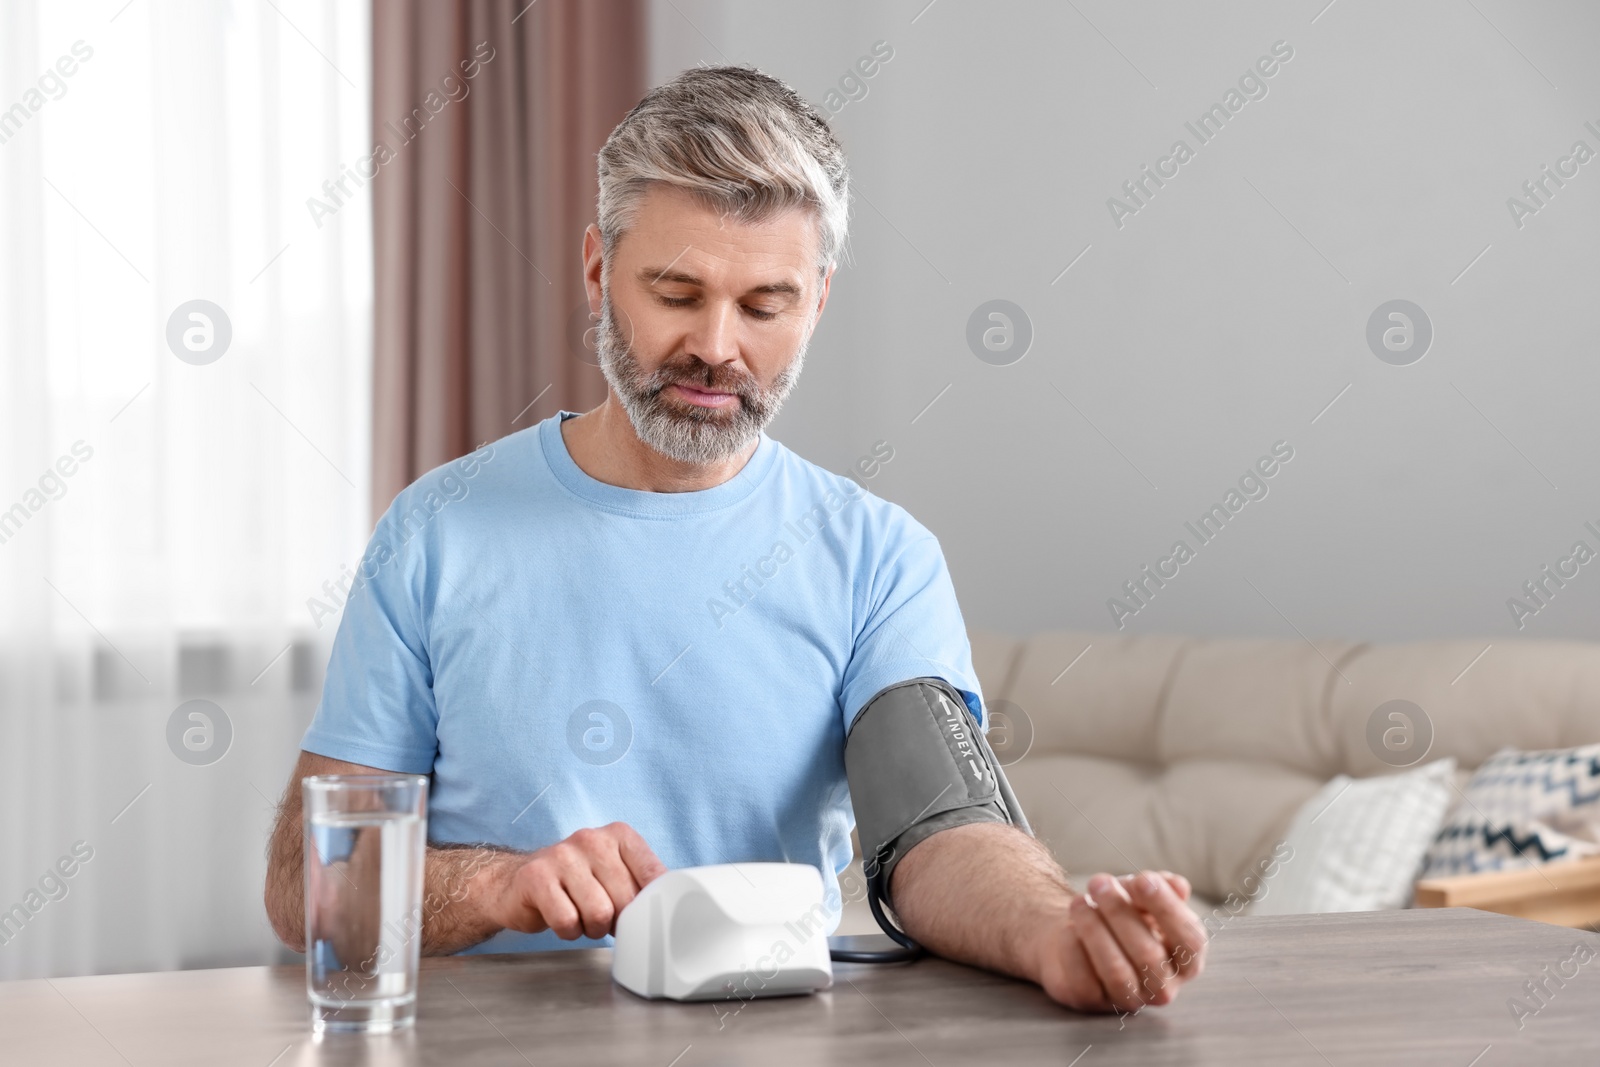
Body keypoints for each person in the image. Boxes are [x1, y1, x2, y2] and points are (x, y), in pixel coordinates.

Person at [264, 64, 1206, 1015]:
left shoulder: (879, 559)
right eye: (677, 294)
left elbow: (939, 833)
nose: (718, 345)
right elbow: (308, 887)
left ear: (819, 302)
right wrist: (496, 885)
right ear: (598, 273)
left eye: (765, 306)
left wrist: (1054, 929)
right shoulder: (436, 531)